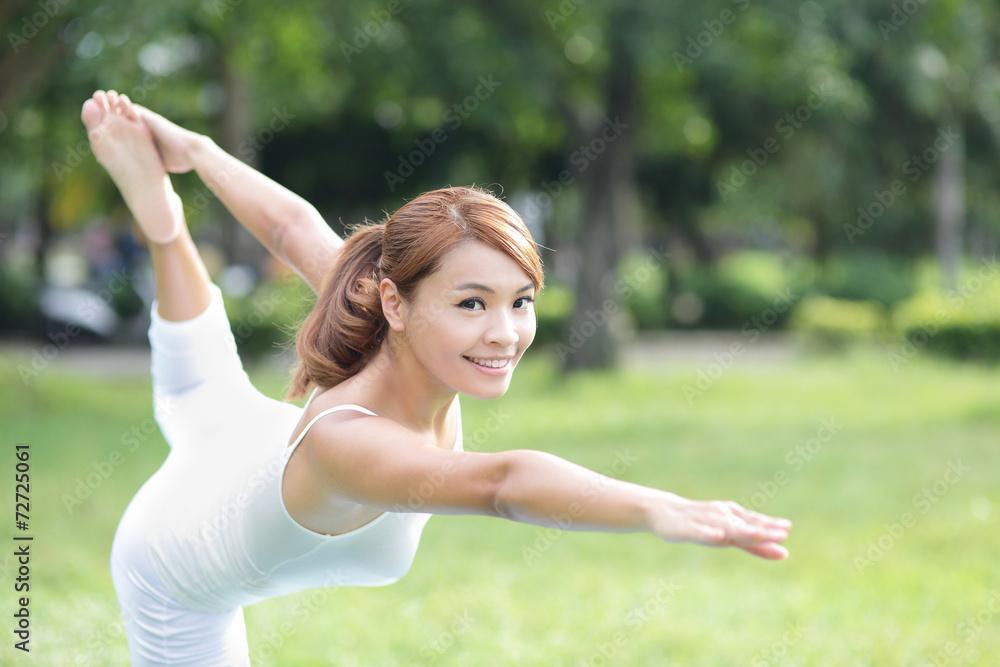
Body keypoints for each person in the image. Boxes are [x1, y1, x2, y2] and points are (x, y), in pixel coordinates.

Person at [81, 89, 792, 666]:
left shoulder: (382, 319)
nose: (504, 332)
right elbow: (503, 482)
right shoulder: (348, 444)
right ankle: (164, 223)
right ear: (398, 302)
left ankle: (163, 220)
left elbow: (293, 226)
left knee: (202, 394)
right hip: (172, 559)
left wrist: (198, 151)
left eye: (521, 301)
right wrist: (652, 506)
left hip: (242, 444)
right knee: (195, 395)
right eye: (472, 303)